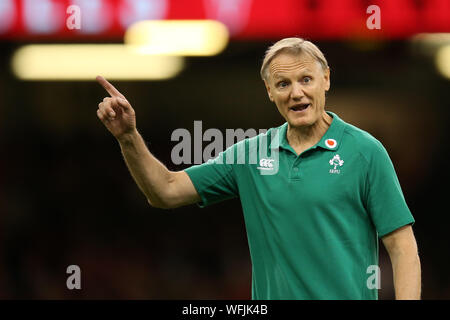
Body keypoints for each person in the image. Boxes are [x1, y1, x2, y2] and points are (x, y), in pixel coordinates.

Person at [96, 37, 421, 300]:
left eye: (306, 79)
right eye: (282, 84)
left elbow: (402, 245)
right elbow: (165, 190)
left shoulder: (365, 152)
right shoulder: (250, 155)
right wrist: (128, 137)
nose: (296, 92)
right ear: (269, 91)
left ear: (326, 80)